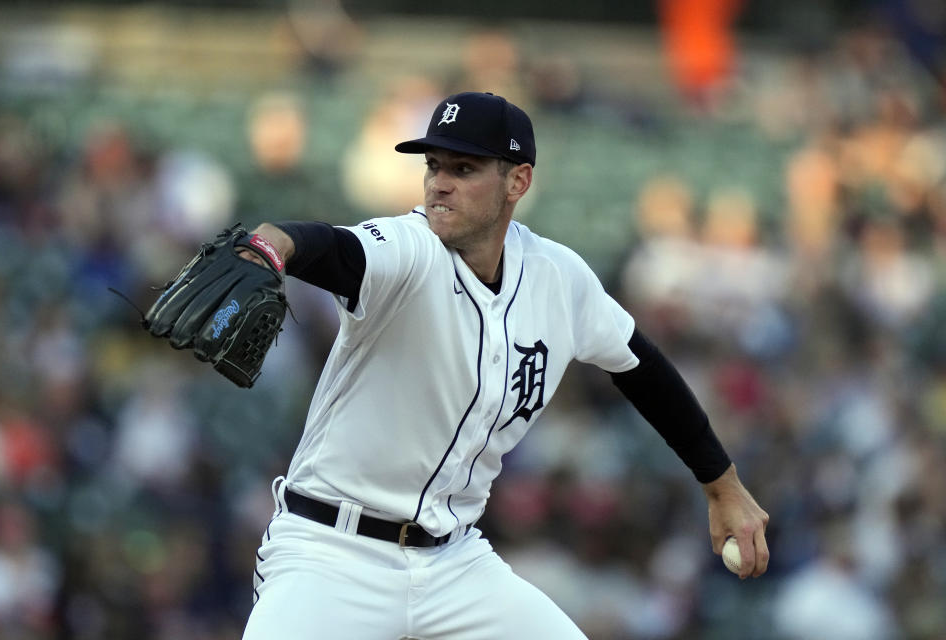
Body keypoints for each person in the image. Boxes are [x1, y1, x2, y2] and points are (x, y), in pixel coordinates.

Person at [239, 91, 769, 639]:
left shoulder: (557, 276)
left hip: (454, 564)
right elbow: (330, 248)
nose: (439, 182)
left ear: (518, 181)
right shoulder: (408, 248)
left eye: (463, 168)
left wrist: (722, 486)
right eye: (434, 166)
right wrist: (269, 245)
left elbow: (642, 369)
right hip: (330, 554)